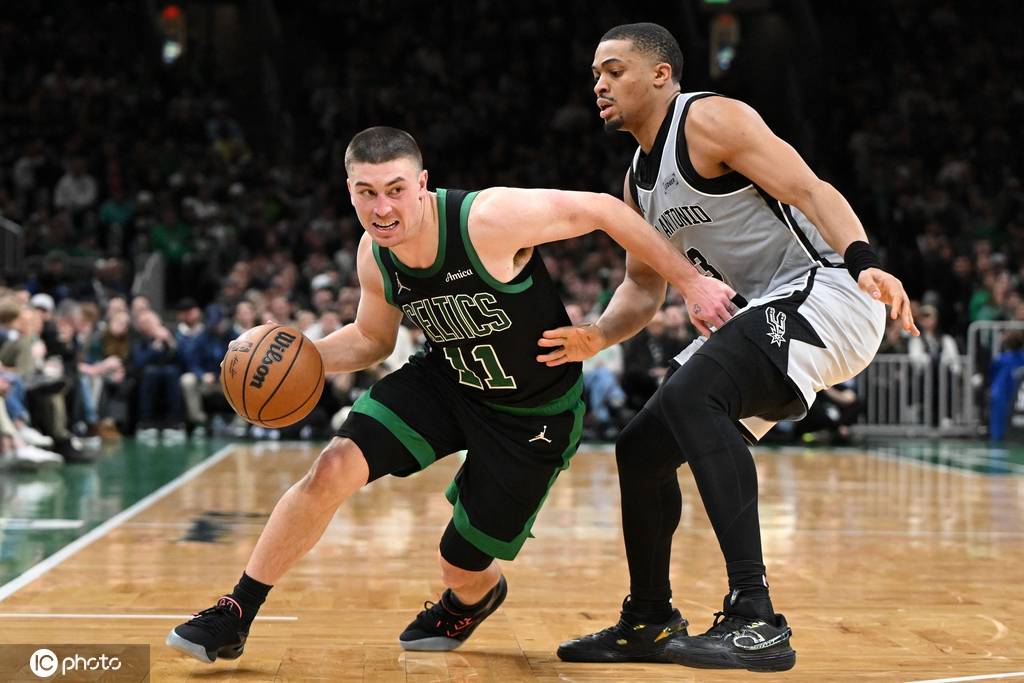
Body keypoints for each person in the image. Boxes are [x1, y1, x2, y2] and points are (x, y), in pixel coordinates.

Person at [167, 126, 738, 663]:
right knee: (332, 467)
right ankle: (236, 612)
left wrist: (688, 284)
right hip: (446, 381)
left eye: (395, 190)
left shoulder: (488, 219)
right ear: (350, 191)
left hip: (532, 413)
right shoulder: (374, 253)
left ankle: (472, 599)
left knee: (459, 565)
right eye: (367, 193)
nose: (382, 208)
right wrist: (293, 358)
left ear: (422, 184)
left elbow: (605, 210)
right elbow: (372, 339)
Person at [549, 23, 918, 672]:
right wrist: (597, 336)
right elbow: (642, 288)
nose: (599, 85)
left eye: (614, 71)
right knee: (640, 450)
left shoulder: (708, 119)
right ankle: (649, 620)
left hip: (830, 289)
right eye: (595, 75)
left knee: (693, 397)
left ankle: (757, 617)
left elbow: (809, 189)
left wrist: (864, 261)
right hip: (772, 308)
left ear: (661, 75)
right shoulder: (637, 182)